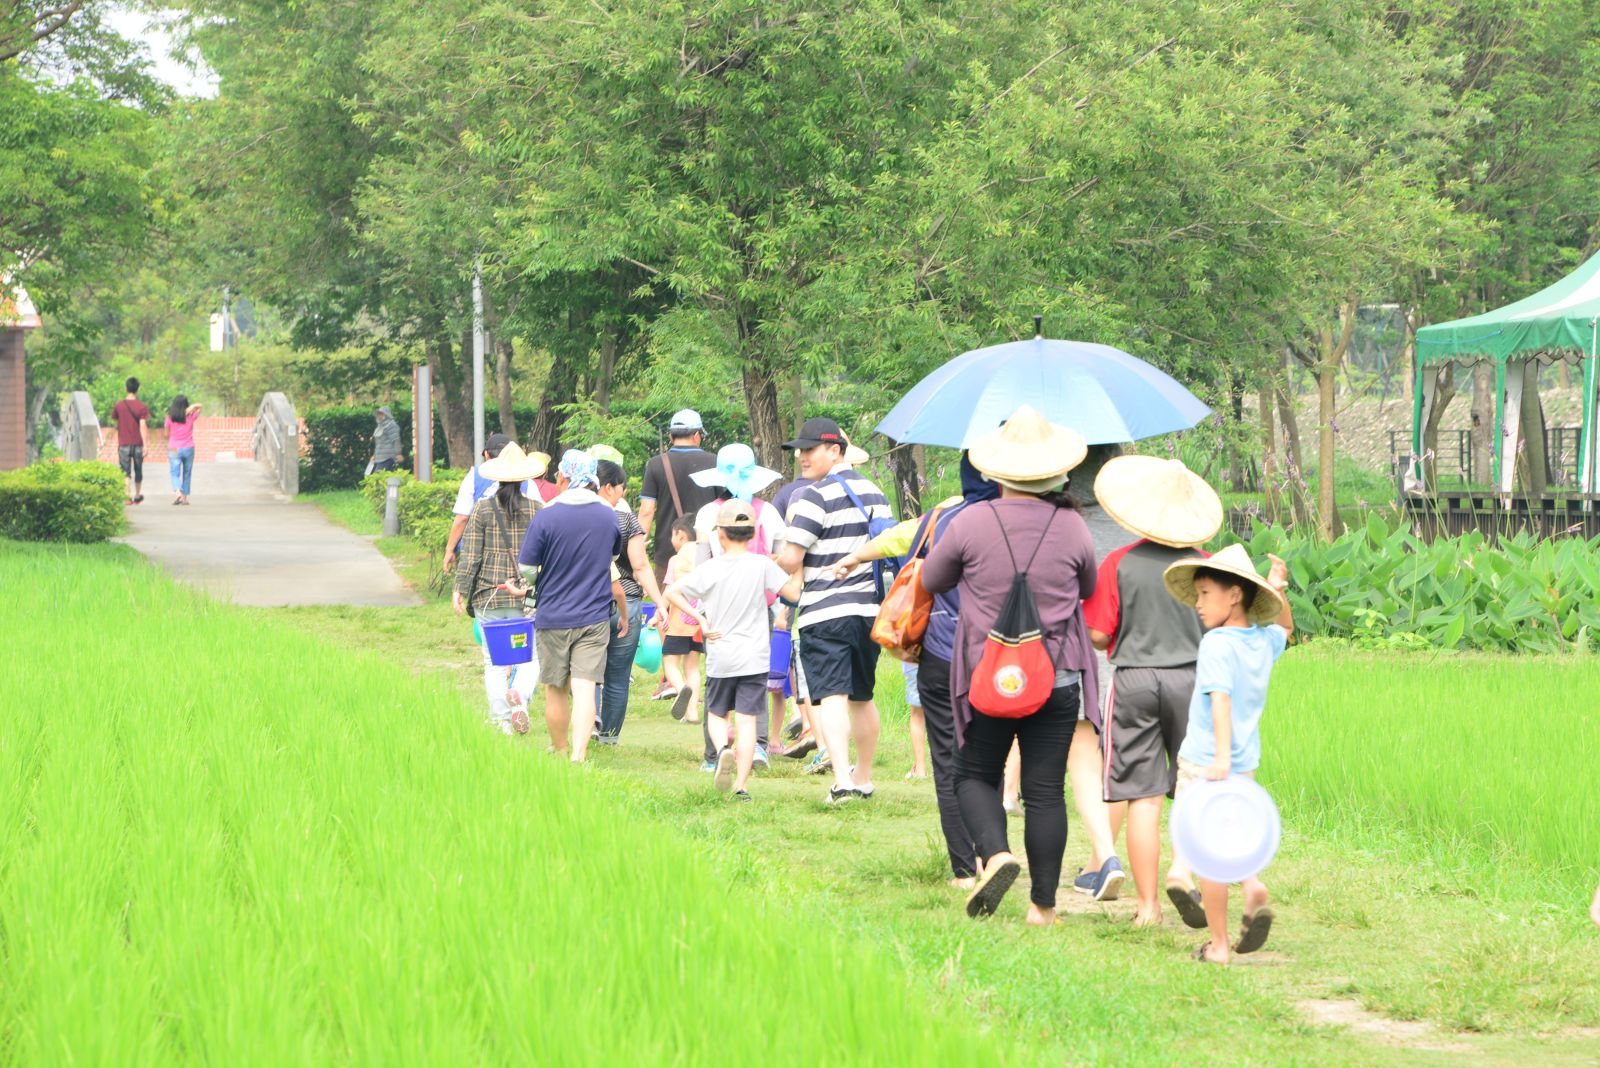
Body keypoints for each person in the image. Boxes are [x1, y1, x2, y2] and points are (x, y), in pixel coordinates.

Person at [921, 406, 1100, 925]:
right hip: (1058, 673)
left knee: (974, 772)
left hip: (988, 674)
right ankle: (1043, 908)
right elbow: (1086, 590)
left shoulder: (971, 520)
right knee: (1045, 789)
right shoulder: (1071, 525)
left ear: (995, 470)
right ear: (1054, 472)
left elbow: (933, 579)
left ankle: (995, 854)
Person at [1081, 456, 1223, 920]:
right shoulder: (1207, 567)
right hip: (1196, 682)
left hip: (1135, 682)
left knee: (1141, 796)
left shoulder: (1119, 563)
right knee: (1195, 789)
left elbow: (1100, 634)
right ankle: (1189, 878)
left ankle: (1147, 908)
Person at [1162, 544, 1292, 964]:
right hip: (1245, 765)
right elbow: (1286, 628)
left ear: (1234, 595)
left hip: (1206, 763)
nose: (1198, 604)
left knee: (1207, 855)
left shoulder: (1217, 643)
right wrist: (1278, 590)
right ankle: (1252, 886)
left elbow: (1221, 699)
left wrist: (1218, 757)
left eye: (1205, 593)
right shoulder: (1261, 641)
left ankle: (1218, 945)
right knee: (1231, 838)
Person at [778, 416, 893, 805]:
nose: (802, 457)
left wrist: (776, 554)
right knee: (862, 696)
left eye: (810, 449)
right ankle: (864, 776)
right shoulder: (876, 493)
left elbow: (791, 559)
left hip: (824, 611)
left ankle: (841, 780)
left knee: (831, 696)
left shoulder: (815, 495)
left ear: (835, 450)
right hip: (868, 612)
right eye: (800, 450)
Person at [665, 500, 794, 800]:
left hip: (722, 654)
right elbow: (792, 594)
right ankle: (742, 786)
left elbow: (672, 591)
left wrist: (699, 617)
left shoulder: (710, 568)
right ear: (752, 534)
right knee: (747, 720)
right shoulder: (763, 564)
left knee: (717, 712)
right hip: (755, 657)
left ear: (720, 535)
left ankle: (722, 749)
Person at [517, 450, 624, 763]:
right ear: (592, 479)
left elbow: (526, 567)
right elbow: (612, 558)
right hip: (594, 615)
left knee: (556, 688)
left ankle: (560, 748)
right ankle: (579, 754)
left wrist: (541, 577)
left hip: (553, 615)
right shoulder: (607, 515)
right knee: (586, 687)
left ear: (563, 476)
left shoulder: (547, 515)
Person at [452, 442, 548, 735]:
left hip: (488, 595)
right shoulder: (538, 510)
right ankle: (520, 694)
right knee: (529, 656)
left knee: (493, 662)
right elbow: (546, 555)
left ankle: (501, 723)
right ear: (523, 478)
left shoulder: (482, 510)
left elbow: (471, 555)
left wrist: (459, 588)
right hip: (526, 597)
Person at [595, 458, 669, 744]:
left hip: (590, 602)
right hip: (627, 601)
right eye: (622, 487)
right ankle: (609, 738)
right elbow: (640, 566)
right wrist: (660, 602)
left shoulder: (578, 516)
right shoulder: (625, 520)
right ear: (610, 487)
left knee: (587, 669)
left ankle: (590, 723)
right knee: (617, 674)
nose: (623, 494)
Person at [443, 433, 549, 572]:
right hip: (519, 554)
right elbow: (541, 518)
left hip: (480, 553)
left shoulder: (474, 476)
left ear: (486, 454)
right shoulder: (528, 482)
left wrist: (450, 549)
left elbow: (463, 517)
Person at [660, 517, 705, 728]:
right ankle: (694, 713)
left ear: (681, 535)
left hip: (679, 622)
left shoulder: (676, 560)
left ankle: (680, 690)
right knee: (693, 667)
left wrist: (657, 614)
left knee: (670, 662)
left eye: (673, 535)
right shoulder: (705, 556)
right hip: (698, 623)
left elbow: (669, 592)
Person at [110, 377, 150, 504]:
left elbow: (116, 420)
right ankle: (137, 495)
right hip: (138, 444)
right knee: (138, 469)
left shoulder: (119, 405)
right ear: (138, 389)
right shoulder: (142, 407)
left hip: (124, 444)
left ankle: (127, 497)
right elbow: (143, 426)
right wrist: (146, 445)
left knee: (125, 471)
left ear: (125, 388)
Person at [165, 395, 202, 505]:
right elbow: (200, 406)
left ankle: (178, 493)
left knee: (174, 472)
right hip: (188, 448)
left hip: (174, 448)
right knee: (187, 472)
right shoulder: (191, 416)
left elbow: (166, 434)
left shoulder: (169, 417)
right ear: (186, 405)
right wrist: (189, 409)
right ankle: (184, 498)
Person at [370, 406, 403, 473]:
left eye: (381, 414)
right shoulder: (379, 427)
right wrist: (375, 456)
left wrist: (398, 453)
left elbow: (396, 440)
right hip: (379, 458)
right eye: (378, 414)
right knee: (377, 479)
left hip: (388, 458)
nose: (379, 416)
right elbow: (379, 444)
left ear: (386, 414)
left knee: (380, 479)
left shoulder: (391, 425)